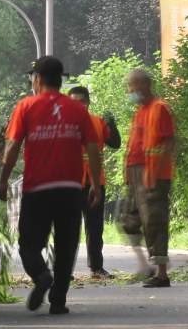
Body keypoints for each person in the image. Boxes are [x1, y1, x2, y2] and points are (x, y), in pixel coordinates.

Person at [0, 56, 102, 315]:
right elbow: (92, 149)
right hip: (70, 189)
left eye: (32, 77)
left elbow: (12, 148)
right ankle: (58, 301)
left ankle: (42, 275)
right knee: (67, 246)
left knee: (29, 245)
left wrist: (3, 179)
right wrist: (96, 185)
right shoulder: (78, 110)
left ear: (38, 78)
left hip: (38, 189)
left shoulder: (26, 106)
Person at [121, 68, 175, 288]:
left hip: (153, 174)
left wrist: (154, 174)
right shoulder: (140, 111)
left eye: (132, 86)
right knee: (129, 221)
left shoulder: (159, 108)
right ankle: (145, 266)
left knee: (155, 222)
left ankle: (161, 273)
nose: (130, 91)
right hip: (136, 173)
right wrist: (128, 172)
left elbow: (169, 142)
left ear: (144, 85)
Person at [68, 86, 121, 279]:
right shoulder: (63, 125)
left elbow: (115, 143)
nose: (78, 105)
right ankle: (65, 270)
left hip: (95, 182)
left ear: (88, 102)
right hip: (71, 182)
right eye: (74, 101)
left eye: (81, 101)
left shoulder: (98, 122)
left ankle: (97, 267)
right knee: (68, 228)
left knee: (95, 227)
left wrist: (112, 125)